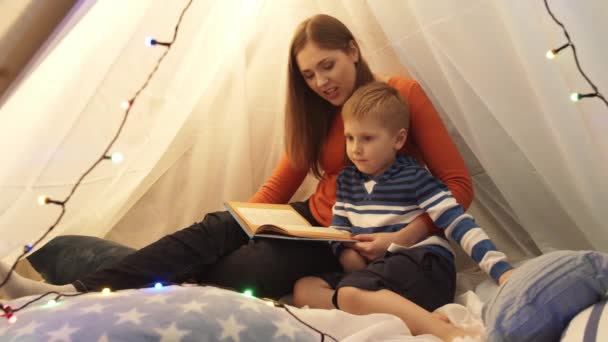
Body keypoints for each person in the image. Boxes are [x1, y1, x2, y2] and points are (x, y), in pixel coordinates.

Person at [0, 14, 472, 302]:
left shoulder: (400, 94)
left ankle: (103, 275)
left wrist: (402, 235)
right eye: (309, 75)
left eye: (328, 65)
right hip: (312, 222)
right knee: (215, 230)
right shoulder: (317, 115)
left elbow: (457, 186)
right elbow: (276, 191)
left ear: (352, 49)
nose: (322, 82)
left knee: (247, 274)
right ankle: (70, 293)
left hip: (358, 236)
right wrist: (240, 223)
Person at [292, 82, 513, 341]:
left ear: (398, 139)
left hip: (424, 266)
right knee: (303, 289)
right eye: (350, 137)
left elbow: (459, 223)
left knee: (349, 292)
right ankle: (406, 312)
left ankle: (448, 332)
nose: (355, 149)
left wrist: (501, 270)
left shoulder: (414, 177)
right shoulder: (347, 180)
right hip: (380, 272)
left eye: (368, 138)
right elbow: (338, 228)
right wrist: (345, 255)